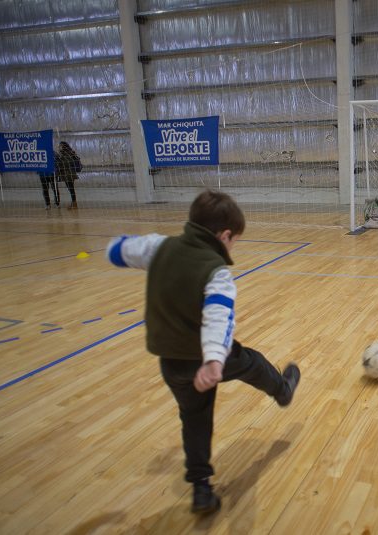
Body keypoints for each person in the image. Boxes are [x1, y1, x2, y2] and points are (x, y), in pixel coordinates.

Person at [105, 190, 301, 514]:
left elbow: (118, 250)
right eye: (234, 240)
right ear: (224, 236)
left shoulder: (159, 246)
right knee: (251, 362)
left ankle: (201, 489)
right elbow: (217, 316)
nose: (232, 247)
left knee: (194, 418)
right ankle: (282, 390)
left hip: (170, 365)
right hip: (206, 361)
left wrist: (113, 250)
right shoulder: (217, 272)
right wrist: (213, 360)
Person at [55, 141, 81, 209]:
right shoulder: (70, 153)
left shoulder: (65, 154)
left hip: (68, 174)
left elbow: (65, 164)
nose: (59, 147)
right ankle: (73, 203)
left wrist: (59, 162)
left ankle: (74, 204)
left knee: (71, 189)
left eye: (60, 146)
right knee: (71, 189)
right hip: (70, 174)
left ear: (63, 147)